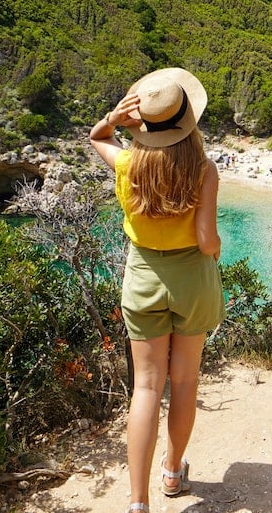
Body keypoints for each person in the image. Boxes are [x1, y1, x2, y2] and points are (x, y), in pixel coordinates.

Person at [88, 67, 224, 513]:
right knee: (184, 381)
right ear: (188, 122)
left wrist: (114, 118)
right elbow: (207, 242)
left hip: (143, 278)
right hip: (192, 281)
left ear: (144, 123)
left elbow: (96, 138)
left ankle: (138, 502)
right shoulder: (203, 170)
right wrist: (215, 248)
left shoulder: (128, 164)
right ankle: (172, 473)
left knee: (146, 388)